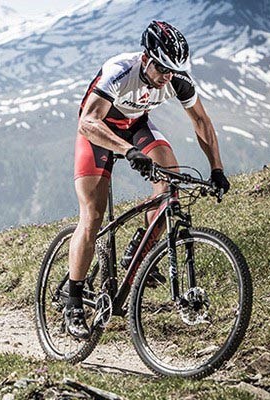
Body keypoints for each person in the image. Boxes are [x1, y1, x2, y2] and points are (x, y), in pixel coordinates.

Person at [65, 20, 231, 339]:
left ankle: (140, 248)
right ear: (147, 58)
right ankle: (73, 301)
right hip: (97, 131)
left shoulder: (176, 78)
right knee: (93, 216)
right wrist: (127, 151)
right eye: (162, 69)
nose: (167, 77)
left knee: (172, 180)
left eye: (173, 70)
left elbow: (201, 121)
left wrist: (217, 169)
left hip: (135, 125)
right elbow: (88, 121)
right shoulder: (119, 70)